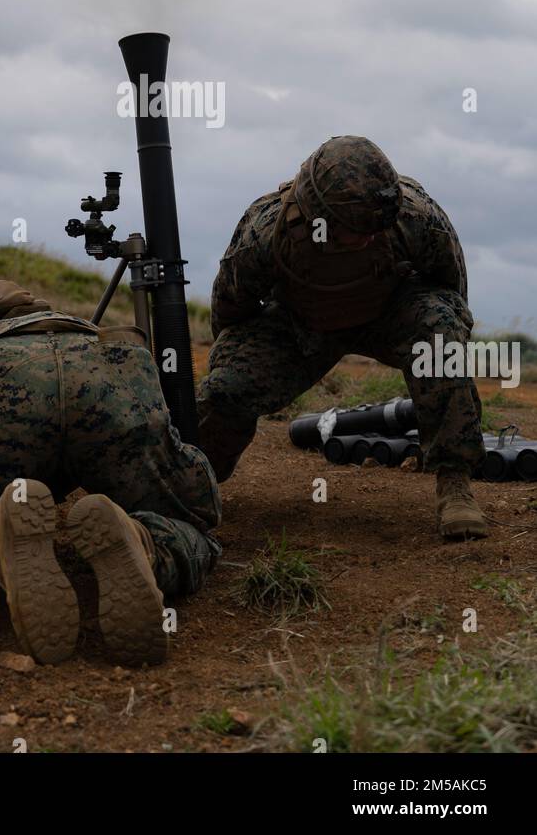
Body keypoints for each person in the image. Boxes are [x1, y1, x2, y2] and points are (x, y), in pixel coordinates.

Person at [0, 289, 221, 666]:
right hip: (110, 365)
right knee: (193, 526)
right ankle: (142, 540)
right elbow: (202, 501)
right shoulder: (64, 326)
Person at [196, 136, 487, 540]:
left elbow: (450, 284)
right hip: (302, 326)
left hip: (387, 312)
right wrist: (239, 374)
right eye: (358, 228)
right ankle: (195, 481)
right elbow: (231, 306)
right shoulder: (266, 233)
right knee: (226, 387)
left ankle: (454, 480)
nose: (371, 235)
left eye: (377, 226)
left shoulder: (414, 216)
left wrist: (446, 341)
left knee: (440, 329)